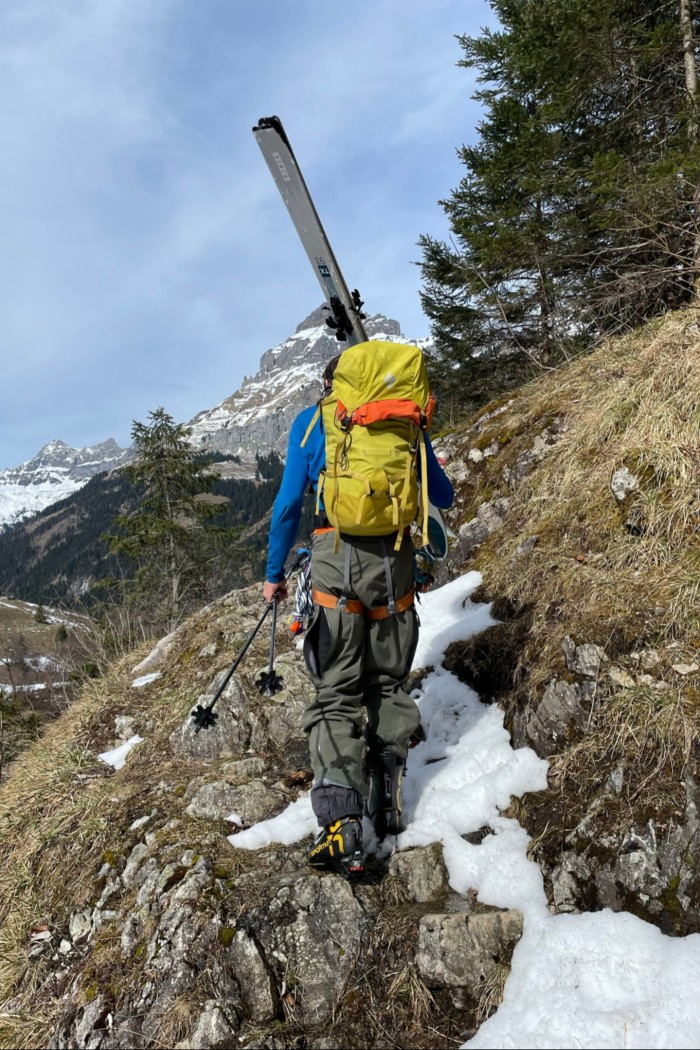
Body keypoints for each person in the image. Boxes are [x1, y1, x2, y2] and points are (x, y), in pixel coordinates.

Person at [263, 350, 453, 876]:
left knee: (336, 690)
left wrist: (273, 573)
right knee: (387, 682)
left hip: (334, 568)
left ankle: (340, 826)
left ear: (332, 385)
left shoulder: (314, 422)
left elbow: (285, 507)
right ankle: (387, 799)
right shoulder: (403, 421)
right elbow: (443, 493)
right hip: (394, 565)